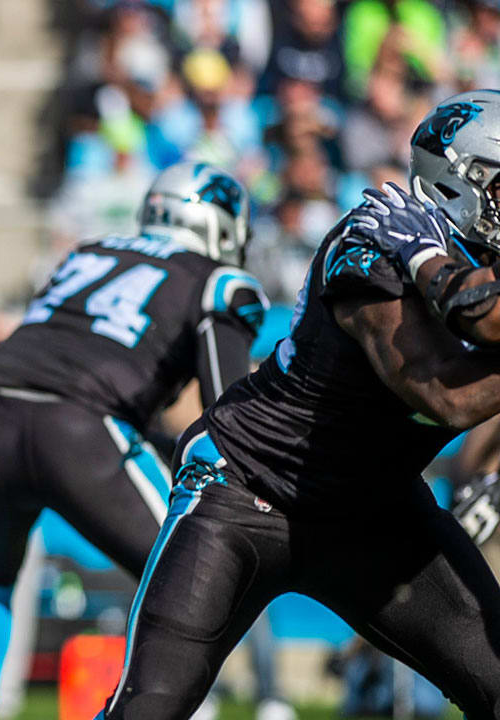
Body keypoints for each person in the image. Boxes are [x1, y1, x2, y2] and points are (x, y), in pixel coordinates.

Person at [99, 90, 500, 720]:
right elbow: (440, 392)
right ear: (458, 184)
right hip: (248, 493)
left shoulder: (480, 266)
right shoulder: (375, 238)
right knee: (149, 709)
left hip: (375, 509)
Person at [0, 161, 268, 707]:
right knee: (186, 570)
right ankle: (167, 707)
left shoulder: (90, 252)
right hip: (77, 423)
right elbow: (229, 411)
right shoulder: (220, 281)